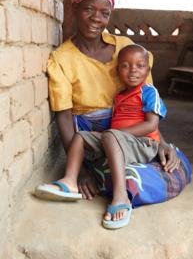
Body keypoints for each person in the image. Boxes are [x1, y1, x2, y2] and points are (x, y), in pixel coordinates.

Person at [34, 0, 191, 222]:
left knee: (171, 163)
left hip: (133, 133)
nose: (96, 18)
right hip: (93, 138)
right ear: (74, 10)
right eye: (88, 10)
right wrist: (81, 172)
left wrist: (161, 143)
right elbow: (64, 117)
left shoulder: (127, 48)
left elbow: (146, 104)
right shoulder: (62, 58)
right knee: (118, 175)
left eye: (104, 13)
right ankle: (81, 181)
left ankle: (121, 193)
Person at [35, 44, 168, 229]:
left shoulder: (149, 92)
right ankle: (70, 181)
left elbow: (151, 125)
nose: (133, 71)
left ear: (148, 69)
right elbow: (112, 133)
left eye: (140, 65)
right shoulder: (119, 96)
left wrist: (113, 135)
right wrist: (109, 136)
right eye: (125, 66)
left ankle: (121, 196)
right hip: (117, 140)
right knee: (81, 136)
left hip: (143, 144)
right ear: (117, 69)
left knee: (109, 137)